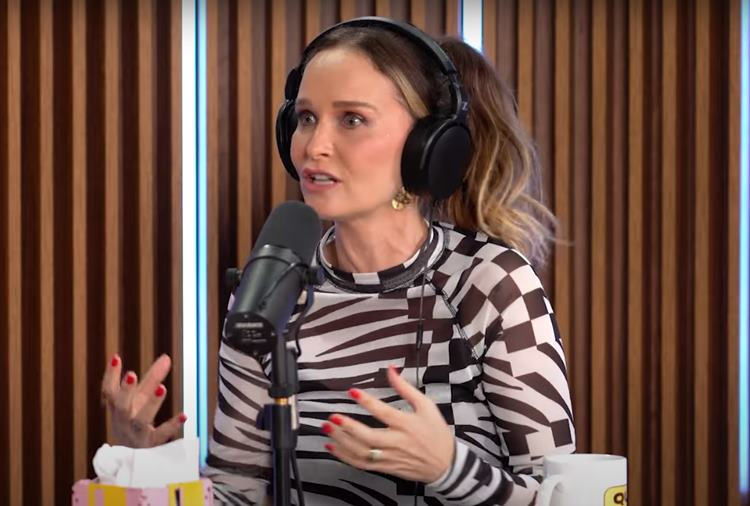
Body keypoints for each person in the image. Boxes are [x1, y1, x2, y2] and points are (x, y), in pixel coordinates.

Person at [101, 17, 576, 505]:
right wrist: (140, 466)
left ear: (427, 146)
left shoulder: (489, 283)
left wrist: (450, 470)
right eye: (306, 118)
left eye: (351, 119)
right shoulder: (270, 287)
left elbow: (567, 497)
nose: (314, 146)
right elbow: (238, 493)